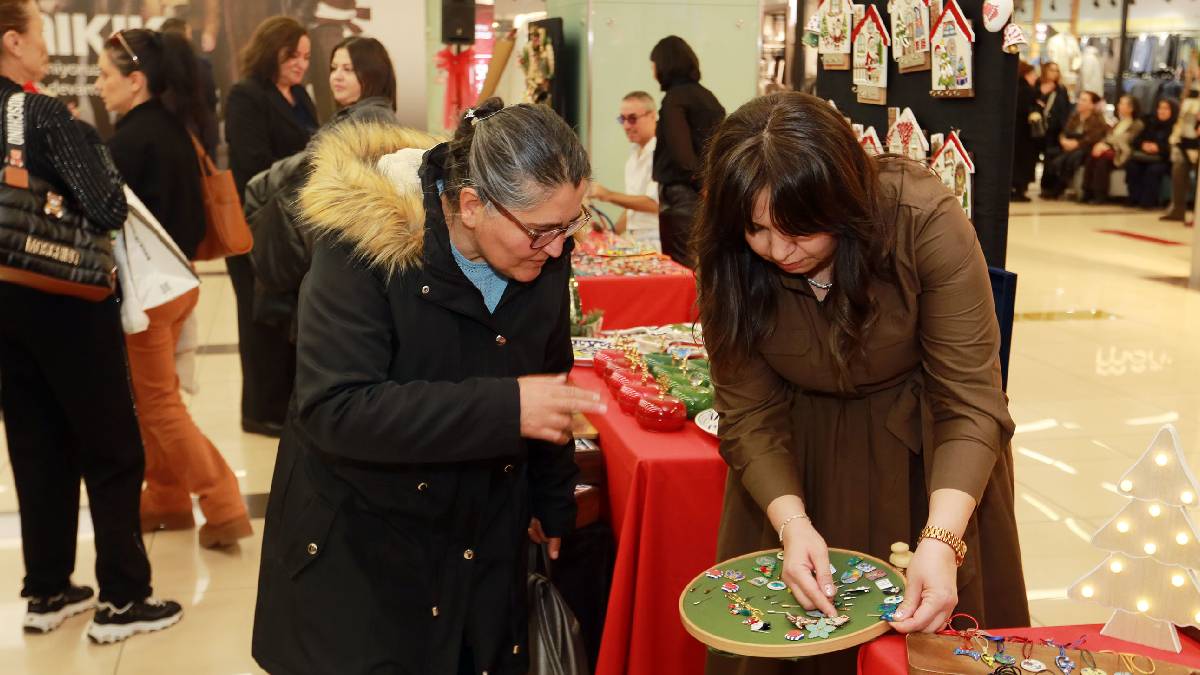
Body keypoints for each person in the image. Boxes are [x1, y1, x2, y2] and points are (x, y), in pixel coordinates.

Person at [252, 98, 604, 674]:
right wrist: (506, 407)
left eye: (571, 225)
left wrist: (551, 496)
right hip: (365, 551)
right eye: (544, 231)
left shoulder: (539, 247)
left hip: (482, 533)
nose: (559, 247)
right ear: (471, 205)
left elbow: (549, 380)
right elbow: (334, 408)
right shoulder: (363, 245)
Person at [694, 92, 1028, 675]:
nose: (778, 251)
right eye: (757, 230)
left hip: (928, 461)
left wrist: (943, 539)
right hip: (795, 467)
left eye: (798, 230)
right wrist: (792, 523)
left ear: (843, 201)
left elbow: (970, 401)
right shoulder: (729, 254)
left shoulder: (922, 218)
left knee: (934, 647)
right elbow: (748, 414)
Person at [0, 0, 182, 643]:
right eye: (42, 35)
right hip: (65, 301)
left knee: (34, 440)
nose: (49, 48)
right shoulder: (43, 114)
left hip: (4, 302)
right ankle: (123, 600)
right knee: (110, 447)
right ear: (13, 41)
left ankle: (47, 590)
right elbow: (106, 207)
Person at [98, 29, 254, 549]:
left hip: (147, 293)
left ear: (135, 80)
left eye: (104, 75)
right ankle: (165, 495)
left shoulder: (130, 141)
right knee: (154, 399)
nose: (99, 86)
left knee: (159, 403)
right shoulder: (176, 130)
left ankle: (223, 498)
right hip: (177, 281)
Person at [243, 35, 400, 334]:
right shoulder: (365, 117)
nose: (336, 76)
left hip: (338, 263)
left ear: (372, 74)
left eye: (348, 69)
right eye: (334, 68)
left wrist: (264, 184)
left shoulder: (365, 124)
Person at [224, 16, 316, 437]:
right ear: (271, 51)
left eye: (305, 57)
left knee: (284, 318)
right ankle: (258, 410)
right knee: (257, 319)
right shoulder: (246, 95)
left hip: (293, 225)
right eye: (292, 55)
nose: (300, 65)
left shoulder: (300, 96)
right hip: (258, 226)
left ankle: (282, 404)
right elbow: (250, 164)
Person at [650, 36, 725, 267]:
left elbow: (680, 152)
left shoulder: (674, 100)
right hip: (706, 192)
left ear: (664, 65)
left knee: (680, 267)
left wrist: (701, 182)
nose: (653, 71)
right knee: (701, 264)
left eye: (653, 65)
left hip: (682, 193)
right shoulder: (708, 97)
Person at [590, 91, 661, 248]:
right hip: (636, 238)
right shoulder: (633, 155)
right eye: (623, 119)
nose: (627, 126)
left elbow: (654, 204)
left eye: (632, 119)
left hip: (658, 238)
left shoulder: (662, 153)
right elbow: (633, 209)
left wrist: (606, 195)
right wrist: (610, 233)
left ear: (653, 116)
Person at [160, 16, 219, 157]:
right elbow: (211, 100)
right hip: (202, 134)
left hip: (171, 140)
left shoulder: (155, 68)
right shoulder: (202, 65)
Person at [1039, 91, 1109, 199]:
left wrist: (1077, 144)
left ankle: (1059, 187)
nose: (1080, 102)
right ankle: (1048, 186)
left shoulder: (1098, 119)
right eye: (1080, 99)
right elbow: (1064, 131)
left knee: (1071, 158)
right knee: (1051, 154)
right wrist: (1063, 140)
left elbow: (1094, 137)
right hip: (1069, 145)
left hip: (1084, 148)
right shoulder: (1075, 116)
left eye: (1084, 100)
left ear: (1091, 105)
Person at [1081, 94, 1143, 204]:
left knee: (1102, 161)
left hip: (1121, 153)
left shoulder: (1136, 124)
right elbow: (1109, 136)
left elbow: (1126, 140)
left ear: (1131, 108)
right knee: (1092, 157)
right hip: (1109, 149)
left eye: (1122, 103)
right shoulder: (1119, 122)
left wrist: (1108, 145)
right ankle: (1087, 191)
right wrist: (1102, 144)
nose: (1119, 106)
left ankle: (1100, 194)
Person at [1126, 98, 1179, 210]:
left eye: (1166, 109)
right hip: (1145, 157)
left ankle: (1148, 202)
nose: (1161, 111)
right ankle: (1134, 198)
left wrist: (1158, 148)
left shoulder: (1175, 126)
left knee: (1153, 170)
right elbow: (1136, 140)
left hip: (1164, 159)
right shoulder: (1151, 122)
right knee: (1132, 165)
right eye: (1160, 108)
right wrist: (1143, 145)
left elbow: (1175, 146)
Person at [1162, 84, 1199, 222]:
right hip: (1184, 140)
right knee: (1178, 174)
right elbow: (1182, 118)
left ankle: (1197, 216)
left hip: (1197, 142)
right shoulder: (1191, 89)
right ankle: (1177, 209)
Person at [1036, 61, 1072, 193]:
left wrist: (1065, 129)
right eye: (1051, 70)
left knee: (1051, 157)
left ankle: (1050, 187)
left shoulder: (1061, 89)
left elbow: (1065, 110)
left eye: (1057, 70)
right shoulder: (1039, 86)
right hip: (1040, 128)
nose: (1054, 73)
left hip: (1056, 129)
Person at [1012, 61, 1040, 202]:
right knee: (1024, 162)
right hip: (1025, 134)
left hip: (1013, 133)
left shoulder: (1011, 88)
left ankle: (1012, 188)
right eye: (1033, 74)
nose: (1036, 77)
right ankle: (1020, 190)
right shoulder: (1028, 90)